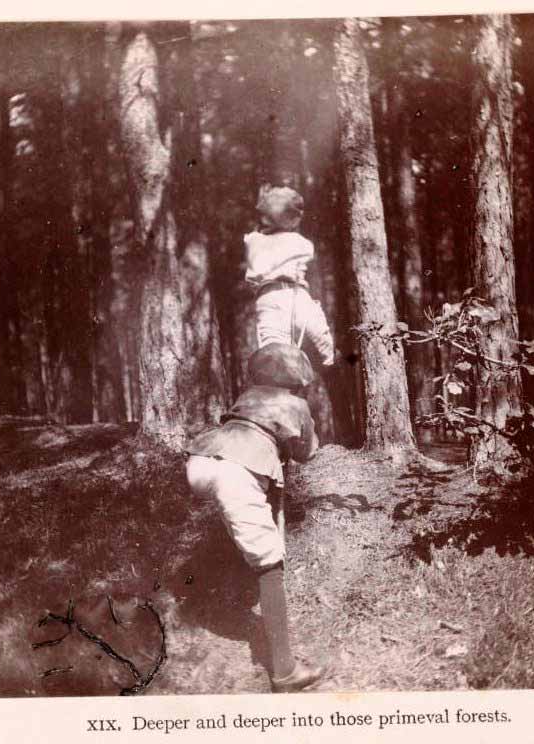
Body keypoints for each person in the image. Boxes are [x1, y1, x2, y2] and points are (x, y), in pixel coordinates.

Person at [184, 343, 325, 693]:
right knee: (269, 561)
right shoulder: (297, 404)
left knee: (244, 523)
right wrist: (307, 429)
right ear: (297, 376)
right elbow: (307, 453)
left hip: (200, 460)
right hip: (237, 470)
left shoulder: (247, 396)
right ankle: (285, 672)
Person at [244, 185, 336, 367]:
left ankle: (326, 364)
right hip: (288, 295)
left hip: (275, 296)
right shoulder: (300, 243)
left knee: (275, 353)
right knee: (319, 341)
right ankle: (328, 364)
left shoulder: (253, 240)